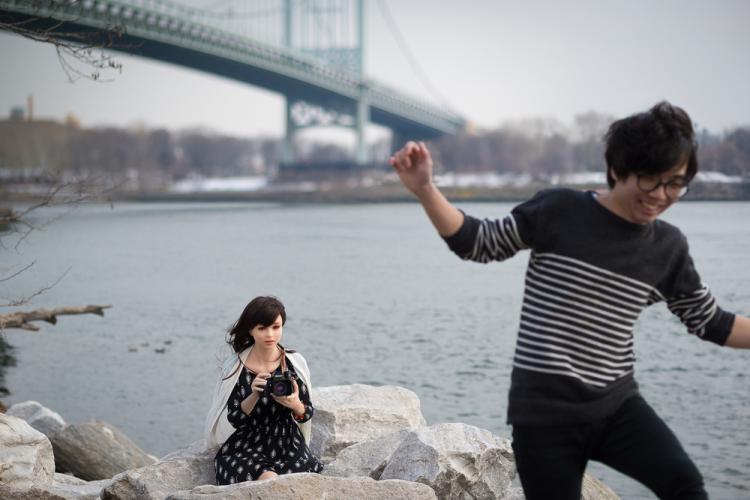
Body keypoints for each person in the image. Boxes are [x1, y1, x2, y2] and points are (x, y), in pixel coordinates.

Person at [389, 102, 750, 500]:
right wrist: (424, 188)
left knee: (685, 484)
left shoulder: (668, 247)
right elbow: (477, 242)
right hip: (543, 417)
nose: (661, 195)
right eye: (650, 180)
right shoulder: (559, 210)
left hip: (617, 406)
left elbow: (711, 322)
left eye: (675, 183)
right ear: (617, 170)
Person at [204, 296, 323, 484]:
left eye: (276, 327)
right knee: (269, 479)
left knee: (294, 482)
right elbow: (234, 418)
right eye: (262, 328)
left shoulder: (294, 363)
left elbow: (306, 413)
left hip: (288, 443)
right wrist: (254, 394)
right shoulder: (235, 367)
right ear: (250, 329)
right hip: (246, 445)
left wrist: (295, 405)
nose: (270, 334)